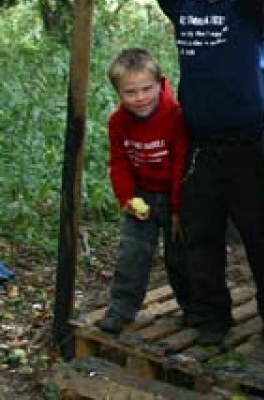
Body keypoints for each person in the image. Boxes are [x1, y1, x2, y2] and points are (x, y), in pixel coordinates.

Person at [131, 0, 264, 347]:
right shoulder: (187, 8)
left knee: (260, 240)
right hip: (199, 150)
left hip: (246, 149)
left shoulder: (248, 10)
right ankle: (213, 317)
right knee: (200, 239)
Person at [98, 48, 191, 334]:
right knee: (133, 253)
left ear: (159, 83)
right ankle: (121, 310)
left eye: (146, 89)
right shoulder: (118, 122)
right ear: (118, 93)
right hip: (142, 195)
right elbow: (119, 162)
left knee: (181, 256)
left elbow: (181, 165)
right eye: (130, 92)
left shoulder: (175, 115)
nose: (139, 98)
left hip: (175, 194)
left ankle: (195, 309)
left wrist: (178, 210)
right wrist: (127, 198)